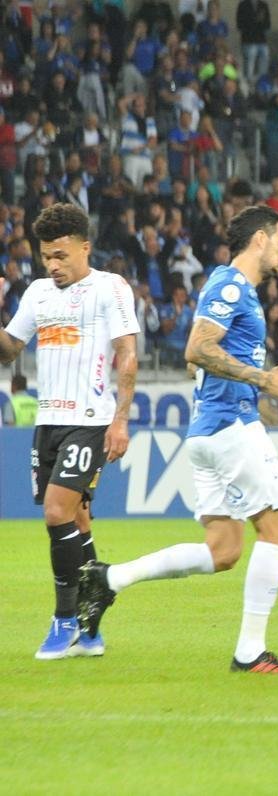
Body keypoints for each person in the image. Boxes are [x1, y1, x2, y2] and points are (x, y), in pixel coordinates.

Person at [77, 206, 278, 673]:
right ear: (259, 240)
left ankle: (109, 579)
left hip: (207, 432)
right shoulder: (229, 285)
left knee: (223, 550)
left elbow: (199, 354)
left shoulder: (226, 287)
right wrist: (263, 379)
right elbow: (197, 348)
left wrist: (220, 368)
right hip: (231, 426)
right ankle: (250, 653)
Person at [0, 203, 140, 660]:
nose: (53, 266)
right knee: (77, 520)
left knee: (56, 513)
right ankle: (90, 624)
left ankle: (64, 620)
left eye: (61, 255)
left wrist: (120, 419)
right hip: (48, 424)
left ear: (85, 247)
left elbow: (126, 352)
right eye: (46, 257)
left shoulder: (109, 288)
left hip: (91, 420)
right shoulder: (38, 294)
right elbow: (9, 350)